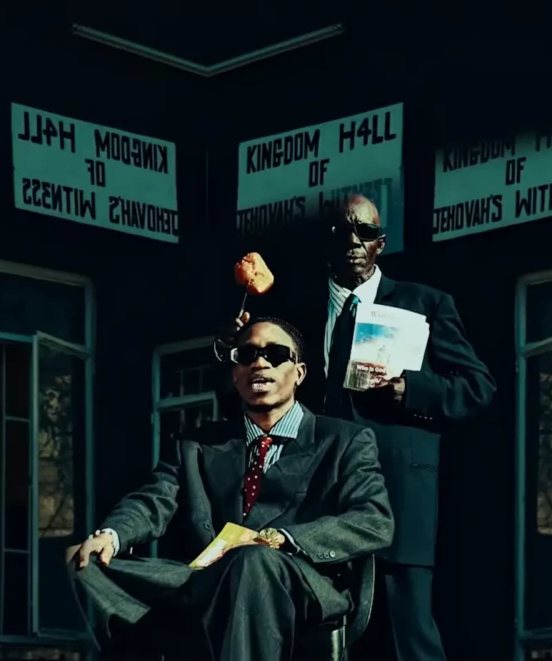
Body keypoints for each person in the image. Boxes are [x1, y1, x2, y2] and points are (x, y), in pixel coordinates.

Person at [218, 194, 496, 661]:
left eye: (364, 232)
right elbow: (258, 393)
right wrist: (232, 347)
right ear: (325, 242)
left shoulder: (424, 303)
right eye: (341, 231)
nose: (353, 241)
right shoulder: (296, 317)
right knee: (324, 639)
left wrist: (412, 390)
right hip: (316, 499)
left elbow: (478, 387)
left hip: (399, 494)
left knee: (409, 637)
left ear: (380, 243)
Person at [66, 317, 394, 661]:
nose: (260, 362)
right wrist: (112, 535)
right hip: (206, 577)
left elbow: (373, 520)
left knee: (252, 560)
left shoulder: (344, 440)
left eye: (275, 354)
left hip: (298, 580)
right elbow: (153, 501)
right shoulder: (196, 445)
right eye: (247, 355)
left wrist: (282, 539)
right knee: (83, 562)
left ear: (299, 373)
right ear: (236, 374)